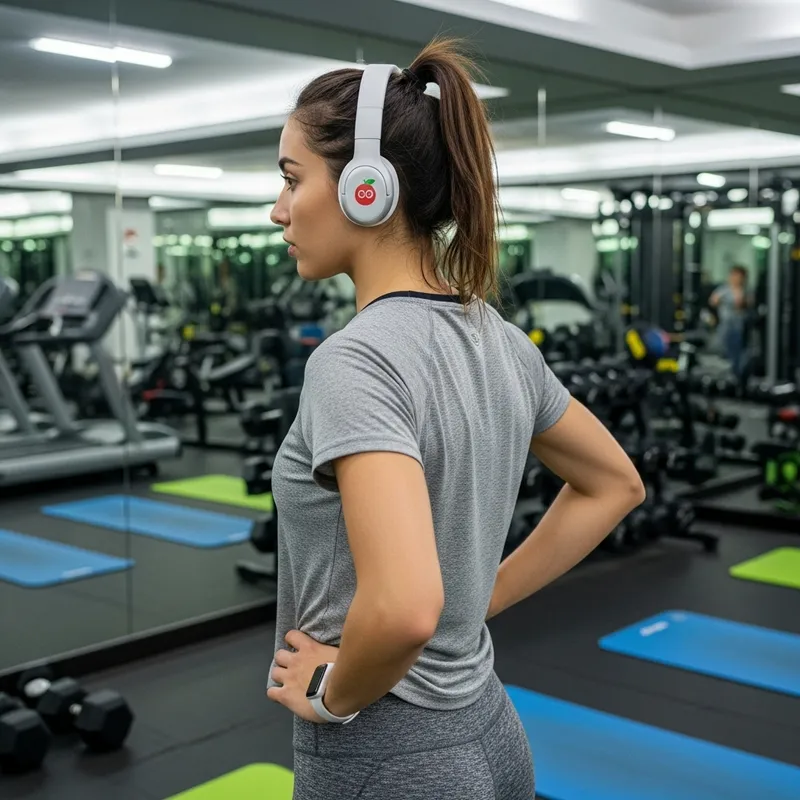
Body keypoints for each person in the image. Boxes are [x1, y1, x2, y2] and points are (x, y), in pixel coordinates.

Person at [265, 37, 646, 800]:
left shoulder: (353, 360)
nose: (278, 209)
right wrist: (481, 599)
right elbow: (615, 484)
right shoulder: (501, 339)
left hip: (386, 754)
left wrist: (331, 695)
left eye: (292, 179)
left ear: (365, 189)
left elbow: (406, 608)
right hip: (492, 733)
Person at [709, 265, 752, 380]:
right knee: (724, 350)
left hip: (739, 326)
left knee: (738, 352)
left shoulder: (745, 291)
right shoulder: (723, 289)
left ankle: (737, 375)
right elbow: (713, 301)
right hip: (726, 325)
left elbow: (745, 304)